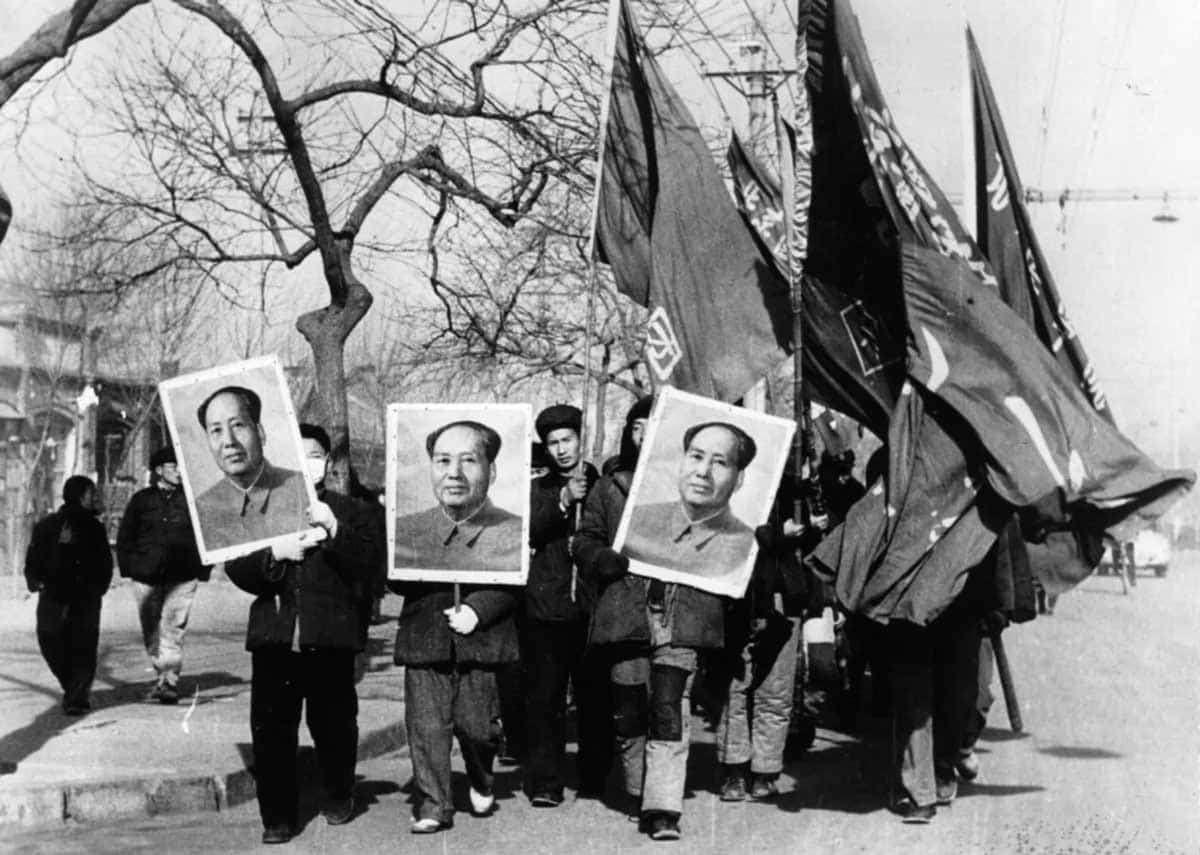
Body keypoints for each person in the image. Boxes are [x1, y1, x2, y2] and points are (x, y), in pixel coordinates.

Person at [577, 395, 732, 842]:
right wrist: (599, 557)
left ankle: (662, 807)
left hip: (680, 615)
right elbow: (585, 539)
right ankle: (639, 789)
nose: (645, 434)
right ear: (629, 433)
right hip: (627, 614)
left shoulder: (697, 484)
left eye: (655, 426)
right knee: (629, 710)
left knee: (668, 706)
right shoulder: (611, 488)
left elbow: (725, 538)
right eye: (637, 426)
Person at [224, 423, 378, 845]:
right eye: (300, 455)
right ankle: (277, 817)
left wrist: (336, 531)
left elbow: (372, 569)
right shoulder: (261, 507)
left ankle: (338, 794)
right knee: (272, 731)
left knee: (334, 726)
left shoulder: (353, 511)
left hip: (329, 638)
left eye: (316, 456)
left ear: (327, 463)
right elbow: (235, 566)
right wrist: (275, 552)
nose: (308, 463)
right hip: (276, 640)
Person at [388, 563, 519, 832]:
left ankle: (481, 778)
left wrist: (478, 609)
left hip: (480, 638)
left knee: (478, 729)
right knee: (426, 728)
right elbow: (392, 575)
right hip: (425, 635)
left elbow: (514, 574)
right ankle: (434, 805)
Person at [523, 404, 609, 806]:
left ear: (581, 438)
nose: (560, 449)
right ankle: (545, 782)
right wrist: (561, 499)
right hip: (547, 607)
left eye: (567, 440)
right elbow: (529, 531)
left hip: (592, 609)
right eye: (552, 442)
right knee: (545, 700)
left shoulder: (602, 482)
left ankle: (593, 777)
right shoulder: (537, 488)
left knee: (594, 698)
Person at [116, 446, 208, 704]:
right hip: (146, 575)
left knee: (173, 628)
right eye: (173, 466)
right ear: (159, 470)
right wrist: (130, 567)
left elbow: (207, 534)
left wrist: (203, 569)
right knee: (151, 629)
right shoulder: (141, 500)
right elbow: (126, 535)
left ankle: (169, 681)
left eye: (181, 467)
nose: (179, 471)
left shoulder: (192, 500)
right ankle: (162, 673)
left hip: (183, 575)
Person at [621, 421, 757, 581]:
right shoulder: (636, 520)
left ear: (739, 479)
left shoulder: (749, 546)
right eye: (696, 457)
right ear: (682, 462)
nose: (702, 472)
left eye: (720, 462)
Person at [24, 476, 113, 716]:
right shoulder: (48, 525)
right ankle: (74, 687)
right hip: (54, 593)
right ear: (81, 496)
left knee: (79, 643)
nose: (94, 498)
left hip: (84, 596)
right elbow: (33, 558)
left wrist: (98, 588)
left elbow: (105, 562)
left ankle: (76, 696)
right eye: (91, 493)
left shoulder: (94, 527)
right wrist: (35, 581)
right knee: (51, 639)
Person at [393, 420, 523, 574]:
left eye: (468, 460)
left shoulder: (519, 534)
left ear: (492, 471)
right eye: (444, 461)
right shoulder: (402, 531)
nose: (454, 473)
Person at [193, 385, 308, 552]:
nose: (229, 441)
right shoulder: (202, 509)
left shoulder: (302, 489)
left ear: (260, 432)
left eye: (238, 425)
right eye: (216, 430)